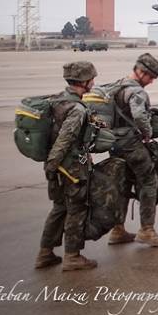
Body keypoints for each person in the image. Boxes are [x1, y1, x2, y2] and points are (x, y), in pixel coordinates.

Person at [36, 60, 99, 271]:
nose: (94, 82)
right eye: (92, 79)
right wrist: (54, 165)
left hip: (55, 165)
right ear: (85, 81)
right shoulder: (76, 109)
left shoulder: (56, 100)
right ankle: (72, 256)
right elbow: (66, 137)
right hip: (70, 167)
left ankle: (45, 253)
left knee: (59, 208)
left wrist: (50, 166)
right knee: (77, 209)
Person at [107, 52, 158, 247]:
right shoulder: (136, 92)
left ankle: (117, 230)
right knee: (149, 181)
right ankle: (147, 230)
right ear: (140, 72)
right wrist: (148, 133)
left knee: (123, 184)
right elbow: (140, 116)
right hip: (131, 144)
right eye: (150, 77)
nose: (150, 82)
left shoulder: (115, 87)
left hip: (114, 143)